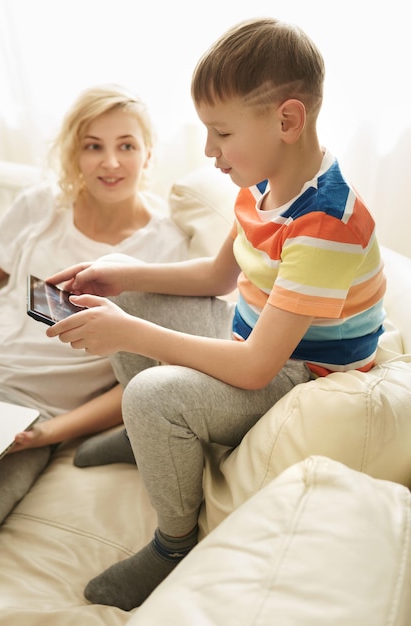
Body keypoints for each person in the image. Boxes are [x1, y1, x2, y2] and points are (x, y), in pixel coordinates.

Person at [46, 18, 386, 610]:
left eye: (221, 133)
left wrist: (128, 331)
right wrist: (123, 272)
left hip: (299, 373)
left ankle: (174, 542)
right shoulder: (261, 185)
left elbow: (258, 368)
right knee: (125, 302)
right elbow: (216, 277)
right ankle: (143, 436)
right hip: (250, 337)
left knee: (152, 391)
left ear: (287, 121)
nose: (209, 152)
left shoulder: (326, 226)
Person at [0, 83, 189, 532]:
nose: (111, 162)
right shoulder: (42, 206)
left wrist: (47, 434)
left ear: (149, 154)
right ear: (74, 154)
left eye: (126, 145)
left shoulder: (166, 250)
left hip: (29, 413)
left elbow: (144, 380)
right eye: (93, 146)